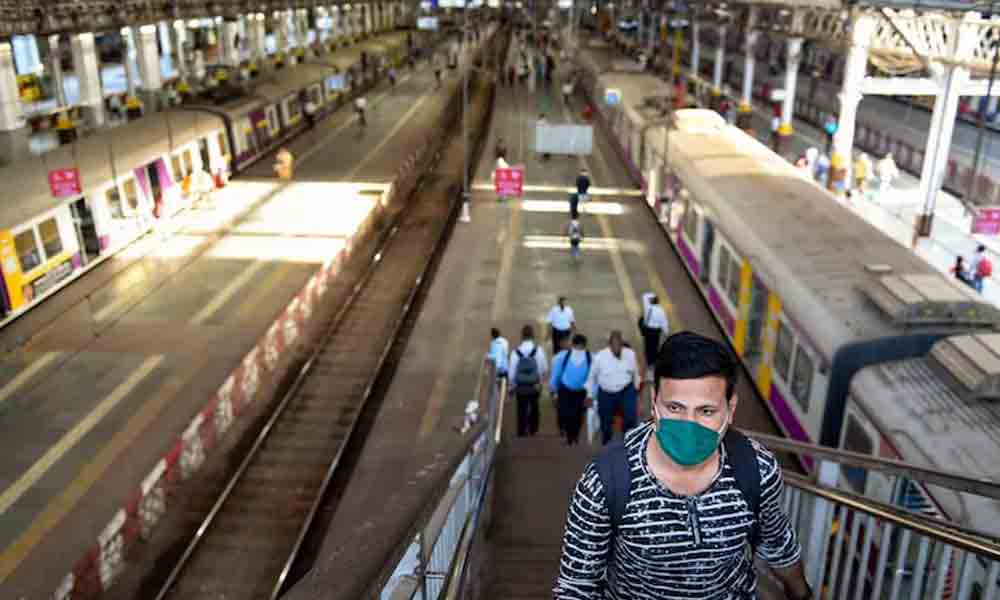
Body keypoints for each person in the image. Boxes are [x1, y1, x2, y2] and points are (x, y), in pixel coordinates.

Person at [554, 331, 813, 600]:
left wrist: (802, 594)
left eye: (706, 411)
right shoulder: (605, 480)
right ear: (654, 402)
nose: (689, 426)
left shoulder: (757, 469)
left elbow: (777, 544)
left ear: (731, 408)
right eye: (675, 408)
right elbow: (576, 586)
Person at [586, 330, 639, 445]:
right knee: (605, 420)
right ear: (609, 345)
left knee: (631, 417)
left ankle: (628, 440)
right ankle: (607, 442)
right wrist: (589, 395)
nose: (617, 347)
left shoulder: (630, 354)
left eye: (619, 344)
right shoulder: (600, 357)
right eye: (614, 344)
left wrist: (636, 388)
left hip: (626, 390)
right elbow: (591, 377)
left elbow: (635, 372)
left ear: (622, 344)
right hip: (606, 393)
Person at [550, 334, 593, 446]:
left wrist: (591, 394)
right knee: (569, 414)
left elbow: (593, 376)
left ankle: (574, 435)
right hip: (567, 390)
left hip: (579, 391)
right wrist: (553, 389)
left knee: (577, 415)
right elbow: (556, 373)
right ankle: (571, 436)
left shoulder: (590, 357)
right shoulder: (564, 357)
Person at [509, 324, 548, 437]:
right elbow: (544, 369)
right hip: (534, 386)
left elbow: (512, 372)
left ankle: (521, 431)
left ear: (522, 336)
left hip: (520, 387)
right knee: (534, 407)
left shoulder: (515, 352)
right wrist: (539, 381)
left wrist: (512, 385)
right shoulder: (538, 350)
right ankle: (533, 429)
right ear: (533, 336)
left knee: (521, 409)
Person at [639, 292, 668, 376]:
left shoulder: (647, 307)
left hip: (647, 331)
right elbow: (664, 323)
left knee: (648, 348)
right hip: (655, 332)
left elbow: (645, 296)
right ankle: (653, 365)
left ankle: (650, 365)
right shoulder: (661, 311)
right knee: (654, 348)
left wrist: (652, 296)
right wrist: (666, 332)